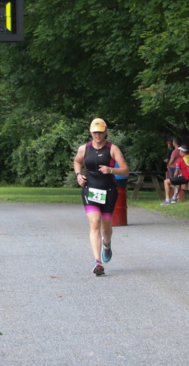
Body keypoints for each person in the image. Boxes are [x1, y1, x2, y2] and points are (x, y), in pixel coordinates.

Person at [74, 118, 129, 276]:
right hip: (89, 189)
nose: (97, 134)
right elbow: (77, 161)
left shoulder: (113, 149)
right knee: (95, 223)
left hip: (109, 191)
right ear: (91, 132)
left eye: (100, 131)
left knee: (106, 227)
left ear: (105, 132)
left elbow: (125, 170)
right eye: (95, 132)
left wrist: (111, 170)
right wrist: (78, 175)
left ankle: (107, 244)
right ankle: (97, 262)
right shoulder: (84, 149)